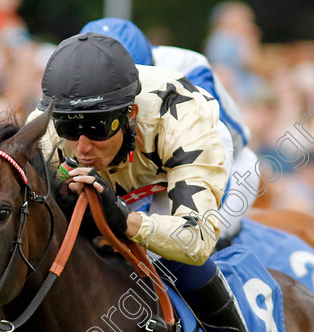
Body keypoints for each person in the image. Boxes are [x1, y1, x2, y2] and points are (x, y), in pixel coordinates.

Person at [31, 33, 279, 332]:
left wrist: (126, 219)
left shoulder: (185, 118)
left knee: (170, 252)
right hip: (124, 157)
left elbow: (195, 240)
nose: (81, 147)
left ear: (128, 114)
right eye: (69, 128)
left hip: (170, 162)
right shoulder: (46, 130)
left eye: (97, 129)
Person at [79, 18, 259, 240]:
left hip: (224, 163)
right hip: (153, 169)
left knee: (183, 243)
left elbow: (205, 154)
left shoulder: (190, 71)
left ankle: (217, 272)